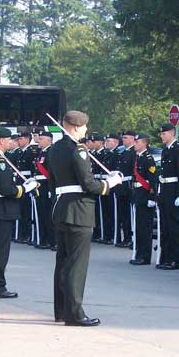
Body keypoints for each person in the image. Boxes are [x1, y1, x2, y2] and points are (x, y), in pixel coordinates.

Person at [50, 111, 123, 326]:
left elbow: (54, 180)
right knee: (76, 265)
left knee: (62, 262)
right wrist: (112, 182)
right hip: (79, 210)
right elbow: (89, 185)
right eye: (84, 127)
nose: (86, 131)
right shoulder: (78, 150)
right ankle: (75, 314)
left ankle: (61, 310)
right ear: (75, 127)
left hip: (61, 207)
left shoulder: (55, 149)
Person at [0, 128, 37, 298]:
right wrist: (24, 188)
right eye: (10, 139)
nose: (12, 142)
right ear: (2, 141)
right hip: (1, 208)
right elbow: (5, 189)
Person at [156, 122, 179, 270]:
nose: (161, 136)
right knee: (165, 227)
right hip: (164, 190)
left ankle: (175, 260)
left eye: (164, 133)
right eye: (161, 133)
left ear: (172, 133)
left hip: (174, 191)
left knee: (173, 227)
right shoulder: (166, 150)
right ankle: (165, 257)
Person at [129, 133, 158, 265]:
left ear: (144, 143)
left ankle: (145, 256)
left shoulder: (148, 159)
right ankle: (139, 253)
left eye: (137, 142)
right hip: (138, 194)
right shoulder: (138, 157)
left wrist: (152, 197)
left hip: (145, 195)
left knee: (145, 227)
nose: (135, 144)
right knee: (139, 226)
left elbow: (153, 180)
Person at [115, 130, 137, 247]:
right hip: (122, 187)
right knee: (123, 214)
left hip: (129, 187)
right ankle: (126, 237)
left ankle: (130, 238)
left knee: (129, 215)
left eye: (126, 138)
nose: (124, 140)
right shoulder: (123, 152)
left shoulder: (134, 153)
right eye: (123, 138)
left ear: (133, 139)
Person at [34, 130, 55, 249]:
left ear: (48, 140)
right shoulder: (41, 152)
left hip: (47, 185)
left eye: (41, 139)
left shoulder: (51, 152)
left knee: (48, 214)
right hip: (39, 185)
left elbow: (52, 172)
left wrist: (50, 188)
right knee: (42, 213)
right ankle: (43, 239)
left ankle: (52, 240)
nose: (39, 140)